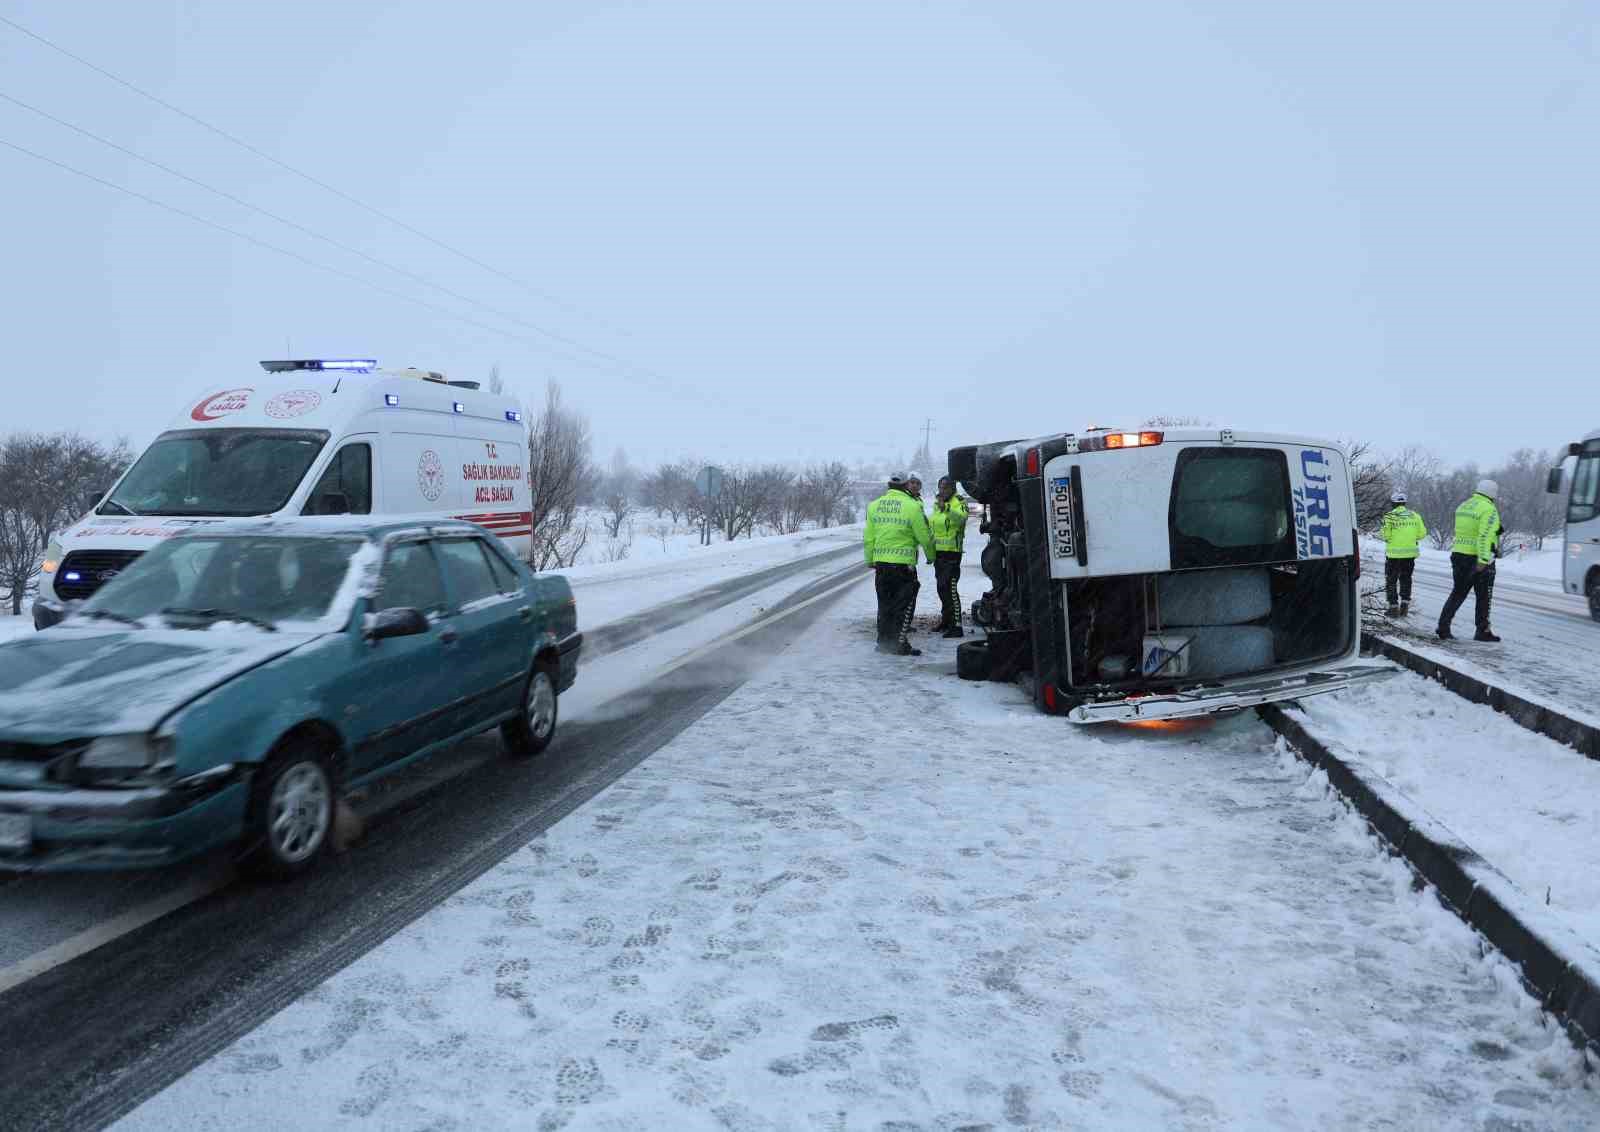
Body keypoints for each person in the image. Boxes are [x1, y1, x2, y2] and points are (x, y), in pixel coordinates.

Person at [864, 474, 936, 655]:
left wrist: (869, 559)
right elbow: (924, 536)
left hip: (881, 565)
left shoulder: (873, 506)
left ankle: (883, 643)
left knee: (885, 604)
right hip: (904, 566)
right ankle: (899, 644)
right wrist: (931, 555)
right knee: (903, 605)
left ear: (888, 485)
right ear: (905, 486)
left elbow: (869, 537)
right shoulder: (913, 506)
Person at [1436, 478, 1502, 642]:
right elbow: (1484, 535)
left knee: (1458, 593)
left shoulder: (1464, 506)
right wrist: (1484, 559)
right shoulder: (1488, 509)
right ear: (1493, 494)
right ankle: (1482, 631)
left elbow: (1467, 531)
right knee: (1483, 596)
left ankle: (1443, 627)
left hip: (1458, 554)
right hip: (1477, 558)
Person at [929, 476, 970, 637]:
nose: (942, 490)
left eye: (946, 487)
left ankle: (956, 626)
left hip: (952, 553)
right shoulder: (936, 505)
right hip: (939, 553)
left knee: (951, 589)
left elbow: (961, 519)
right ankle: (946, 620)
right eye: (940, 487)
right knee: (941, 588)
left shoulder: (958, 502)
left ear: (953, 488)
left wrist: (945, 507)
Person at [1379, 490, 1426, 616]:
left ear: (1393, 503)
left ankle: (1393, 607)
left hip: (1393, 555)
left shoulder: (1389, 516)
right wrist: (1410, 537)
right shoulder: (1415, 516)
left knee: (1391, 580)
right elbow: (1422, 534)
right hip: (1409, 555)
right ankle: (1404, 606)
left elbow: (1385, 535)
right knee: (1406, 578)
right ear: (1404, 503)